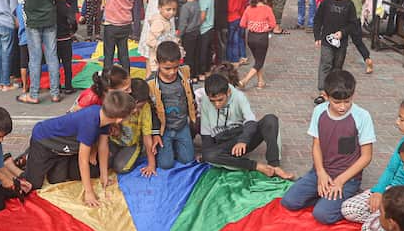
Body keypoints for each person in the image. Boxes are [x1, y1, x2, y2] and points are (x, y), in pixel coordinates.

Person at [280, 69, 374, 224]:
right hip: (321, 172)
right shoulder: (319, 111)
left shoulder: (362, 116)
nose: (343, 107)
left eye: (347, 101)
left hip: (347, 178)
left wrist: (341, 180)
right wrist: (321, 173)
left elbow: (366, 156)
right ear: (325, 96)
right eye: (337, 102)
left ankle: (347, 195)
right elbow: (316, 145)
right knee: (289, 201)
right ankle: (326, 196)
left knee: (322, 215)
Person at [341, 95, 404, 231]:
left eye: (402, 119)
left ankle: (385, 221)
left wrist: (389, 204)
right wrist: (379, 191)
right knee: (348, 209)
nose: (397, 122)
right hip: (390, 190)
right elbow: (391, 169)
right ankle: (380, 218)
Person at [24, 90, 137, 207]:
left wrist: (104, 175)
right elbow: (83, 160)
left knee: (56, 180)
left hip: (62, 152)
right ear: (119, 119)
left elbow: (103, 147)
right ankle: (21, 160)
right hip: (43, 142)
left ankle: (40, 163)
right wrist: (89, 192)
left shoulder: (104, 116)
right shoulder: (90, 124)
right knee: (32, 184)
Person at [196, 67, 292, 180]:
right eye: (213, 101)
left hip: (242, 138)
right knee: (209, 155)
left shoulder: (239, 96)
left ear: (228, 92)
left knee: (270, 120)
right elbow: (206, 134)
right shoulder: (205, 101)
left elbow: (250, 121)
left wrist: (243, 141)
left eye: (220, 100)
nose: (217, 104)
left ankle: (274, 166)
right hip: (224, 144)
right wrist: (208, 155)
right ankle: (257, 166)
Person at [15, 0, 64, 104]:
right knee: (52, 55)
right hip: (49, 15)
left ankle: (33, 94)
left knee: (34, 57)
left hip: (32, 16)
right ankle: (55, 93)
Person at [149, 41, 198, 170]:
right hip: (164, 129)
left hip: (182, 125)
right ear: (157, 63)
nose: (172, 72)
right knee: (165, 164)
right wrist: (155, 134)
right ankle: (170, 147)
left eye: (176, 67)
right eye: (167, 68)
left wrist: (194, 115)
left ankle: (178, 145)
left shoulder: (185, 73)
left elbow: (190, 95)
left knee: (188, 160)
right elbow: (150, 111)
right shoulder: (151, 84)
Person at [310, 0, 356, 103]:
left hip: (341, 43)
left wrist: (342, 32)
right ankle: (323, 92)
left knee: (337, 66)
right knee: (326, 63)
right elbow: (318, 20)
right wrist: (317, 36)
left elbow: (353, 24)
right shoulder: (326, 2)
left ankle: (334, 91)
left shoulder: (349, 5)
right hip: (326, 40)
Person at [102, 79, 157, 178]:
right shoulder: (117, 102)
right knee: (103, 163)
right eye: (136, 107)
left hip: (130, 144)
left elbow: (147, 136)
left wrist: (151, 164)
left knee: (120, 168)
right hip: (113, 141)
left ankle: (133, 152)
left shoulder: (145, 108)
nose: (136, 110)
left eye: (140, 107)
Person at [102, 0, 140, 73]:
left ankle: (107, 77)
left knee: (108, 53)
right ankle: (126, 75)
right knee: (123, 52)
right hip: (126, 24)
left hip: (112, 23)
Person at [239, 0, 277, 90]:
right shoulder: (267, 9)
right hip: (262, 38)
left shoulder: (248, 8)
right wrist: (265, 27)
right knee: (259, 61)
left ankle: (261, 81)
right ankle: (244, 80)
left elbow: (242, 24)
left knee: (258, 59)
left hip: (251, 37)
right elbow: (273, 24)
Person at [179, 0, 203, 79]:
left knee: (188, 56)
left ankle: (189, 76)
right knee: (195, 54)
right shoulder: (198, 4)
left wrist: (179, 35)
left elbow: (183, 24)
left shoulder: (185, 7)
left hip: (188, 34)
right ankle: (195, 75)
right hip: (197, 32)